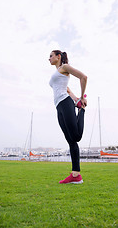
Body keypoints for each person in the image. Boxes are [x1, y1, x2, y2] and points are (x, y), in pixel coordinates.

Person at [49, 50, 87, 184]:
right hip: (59, 106)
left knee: (76, 137)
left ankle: (81, 111)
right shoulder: (57, 73)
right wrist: (77, 98)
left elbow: (83, 77)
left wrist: (82, 98)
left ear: (58, 56)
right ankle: (76, 175)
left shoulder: (64, 67)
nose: (49, 58)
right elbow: (68, 90)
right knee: (71, 140)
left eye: (51, 56)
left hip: (65, 103)